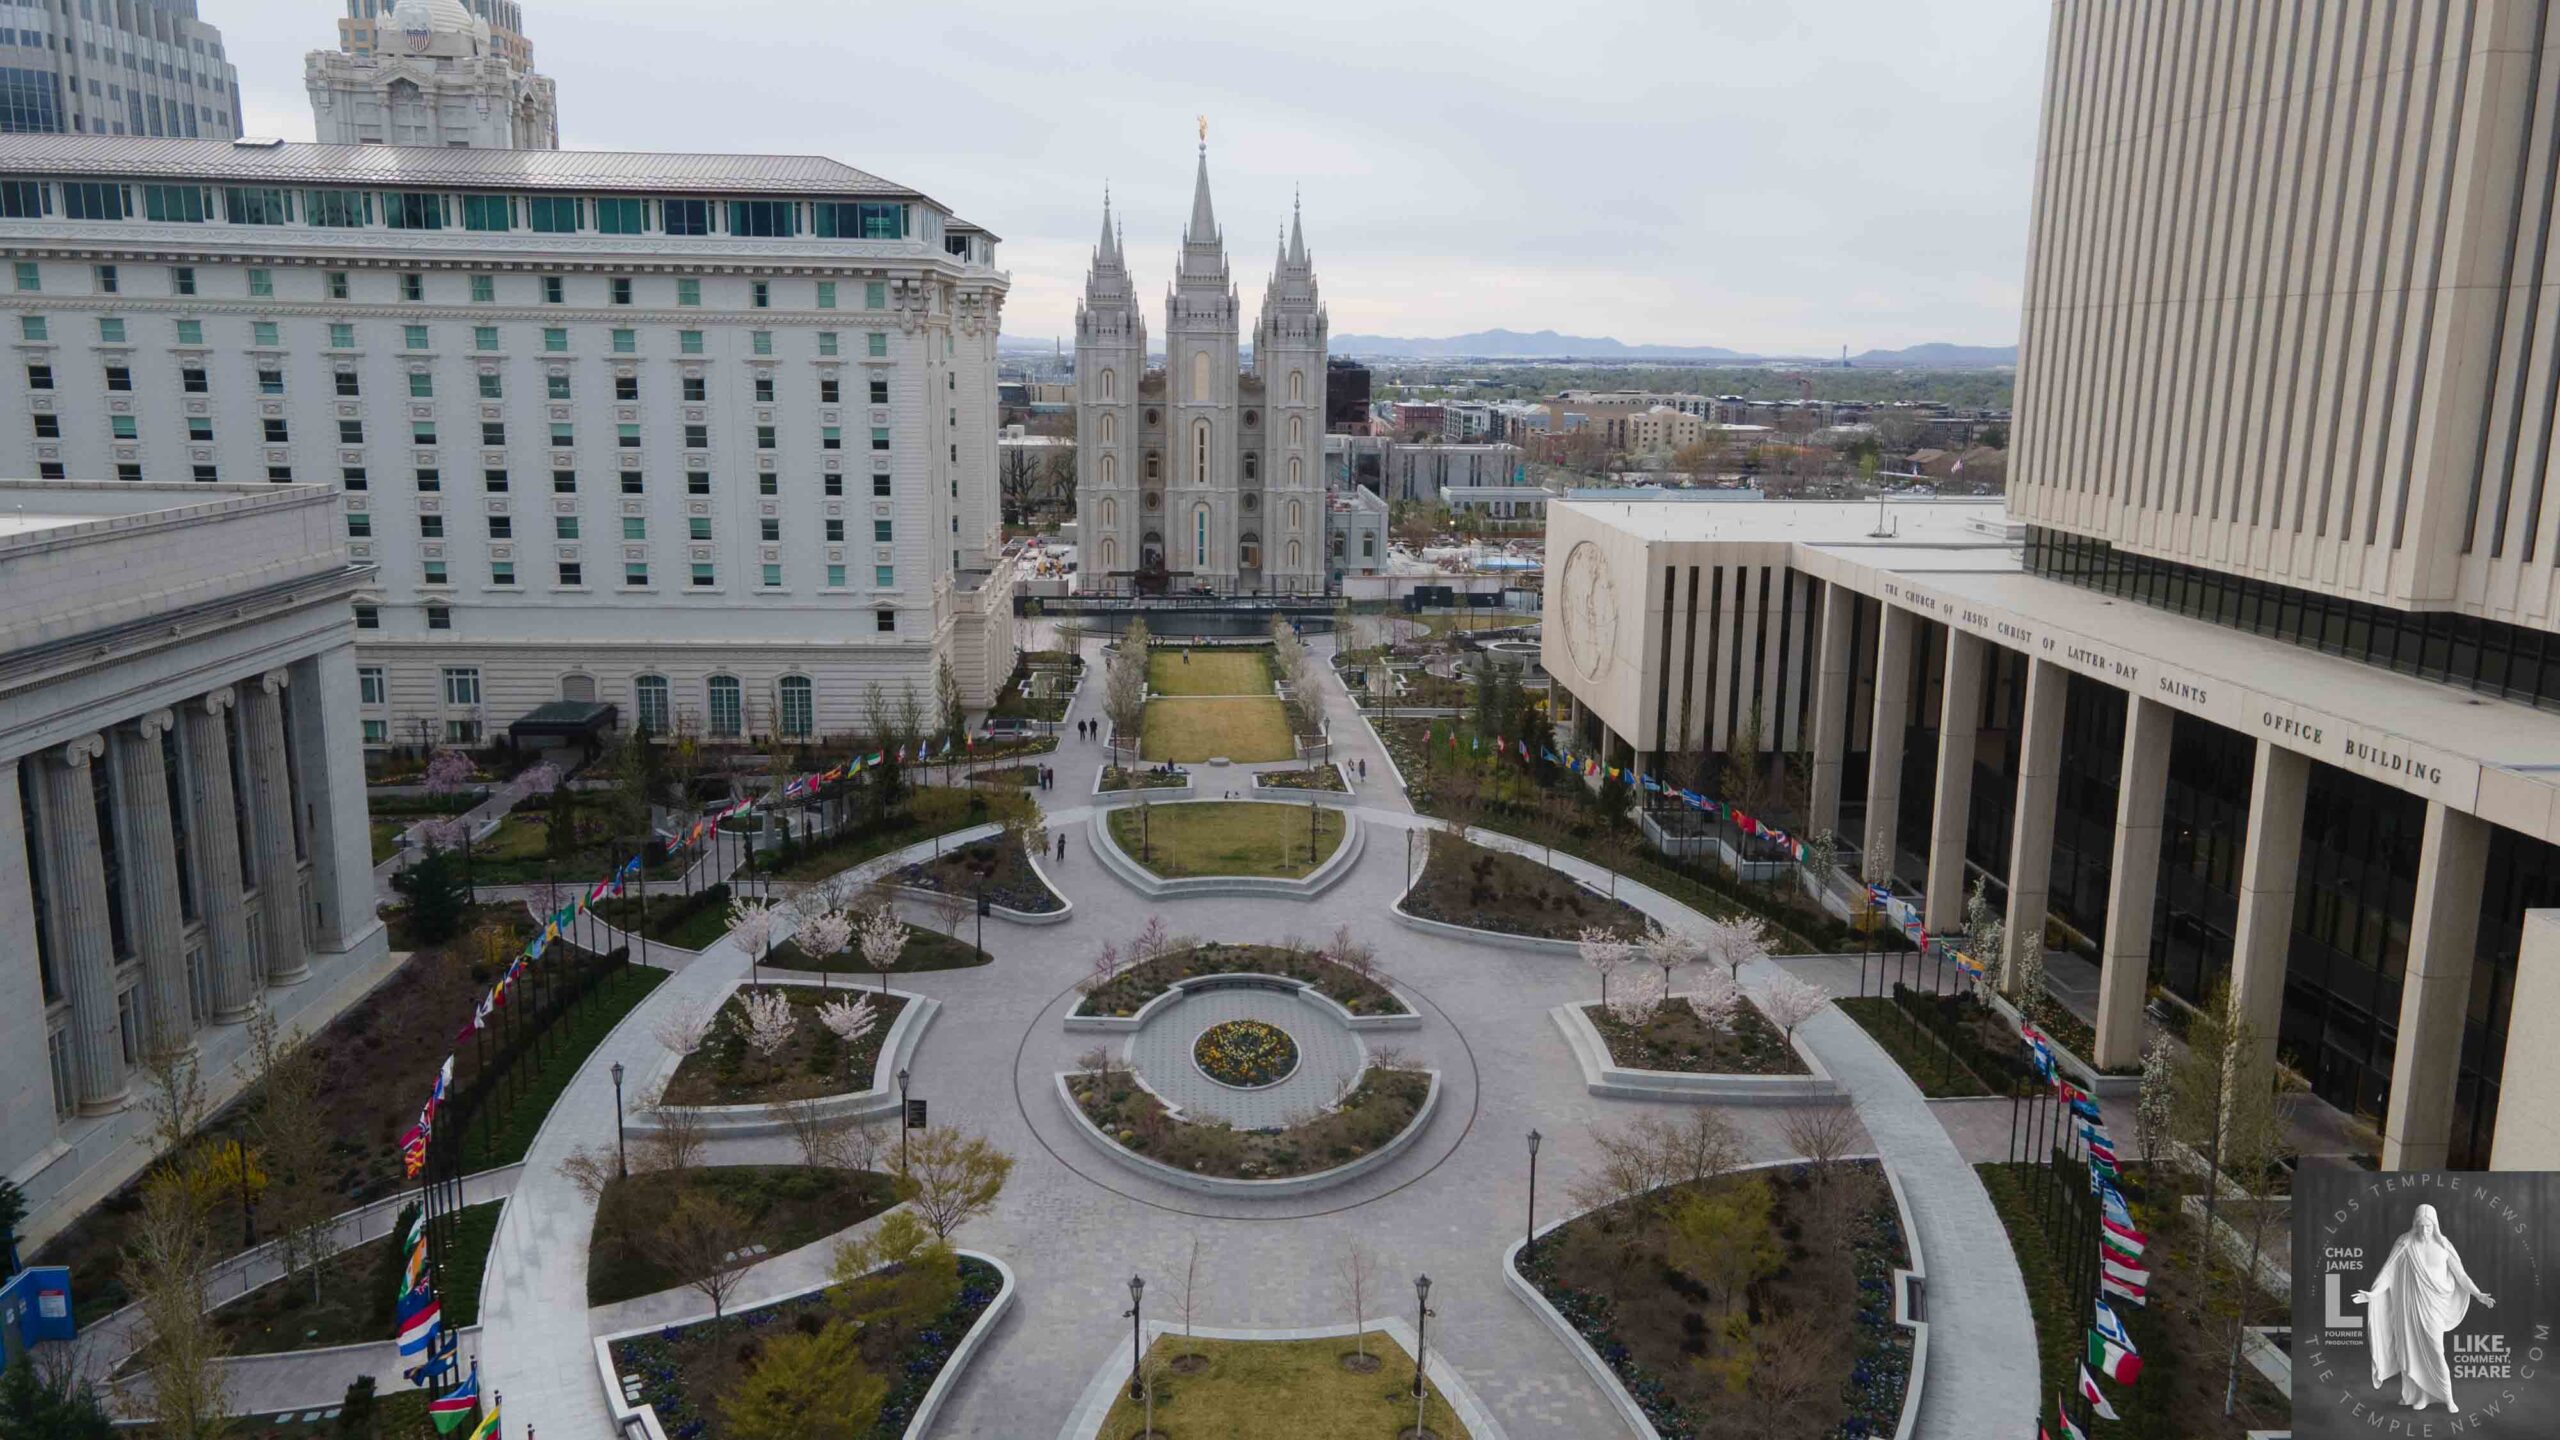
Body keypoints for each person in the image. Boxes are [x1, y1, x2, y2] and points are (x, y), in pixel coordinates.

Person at [2352, 1203, 2497, 1413]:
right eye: (2420, 1226)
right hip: (2409, 1308)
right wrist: (2373, 1294)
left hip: (2434, 1308)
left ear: (2435, 1226)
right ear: (2415, 1224)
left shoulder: (2444, 1246)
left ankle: (2448, 1397)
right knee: (2411, 1350)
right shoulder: (2405, 1244)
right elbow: (2388, 1274)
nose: (2424, 1231)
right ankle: (2420, 1396)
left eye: (2428, 1226)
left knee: (2437, 1351)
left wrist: (2478, 1294)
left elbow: (2461, 1275)